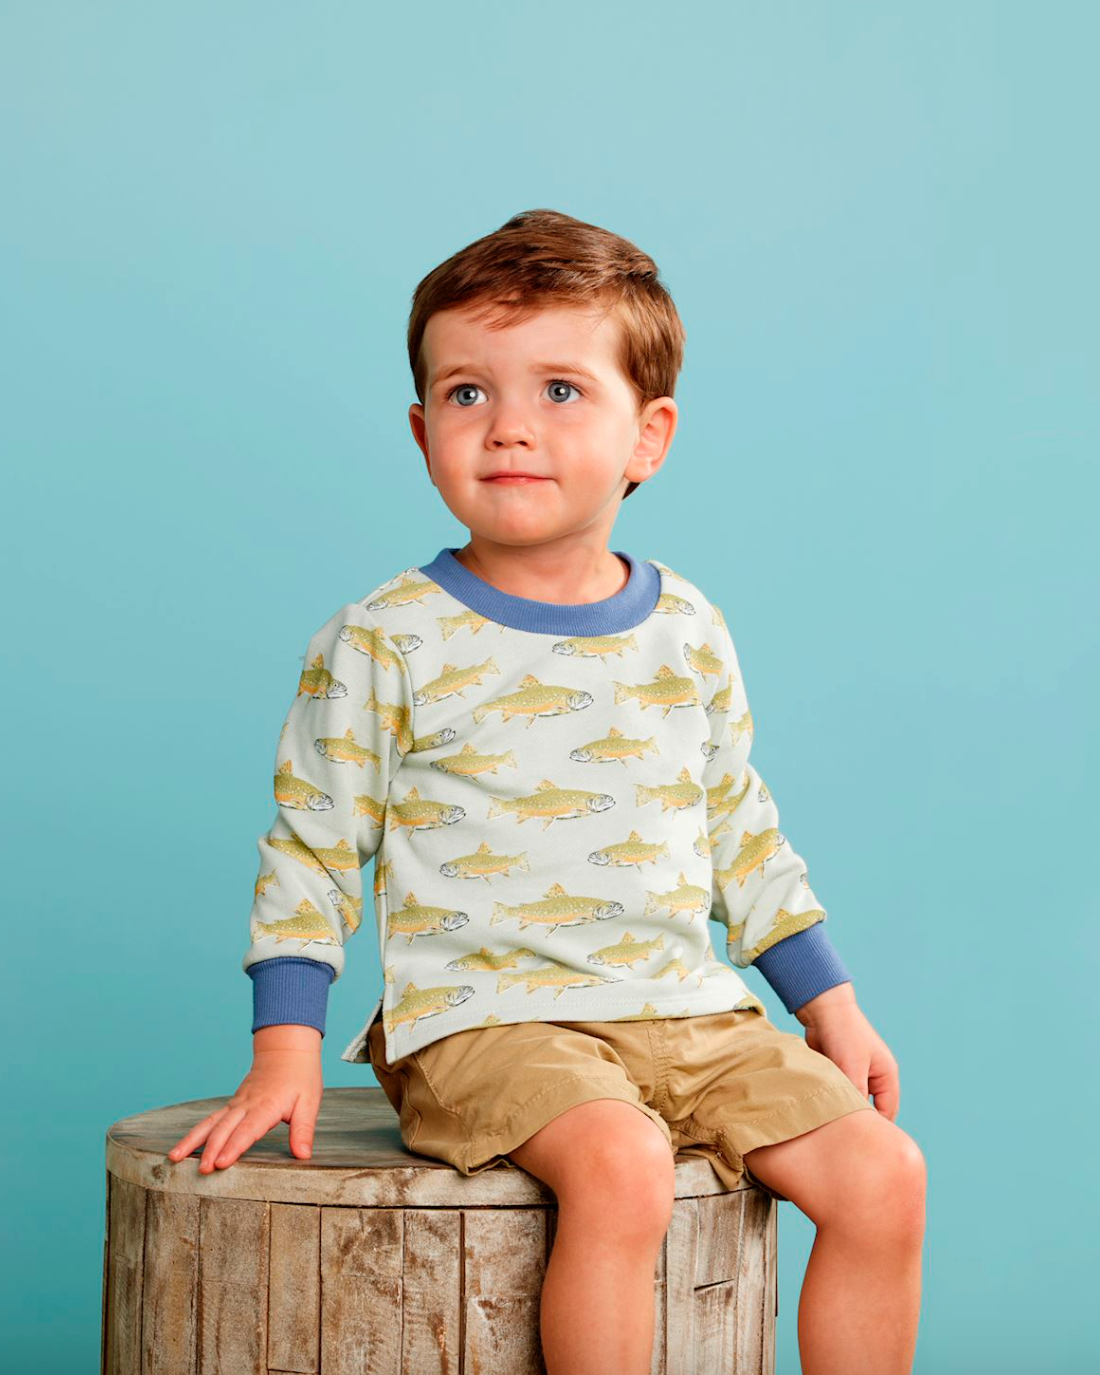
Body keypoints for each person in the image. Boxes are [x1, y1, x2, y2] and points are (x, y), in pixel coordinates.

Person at [167, 208, 925, 1375]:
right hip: (485, 1022)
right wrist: (285, 1047)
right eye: (467, 393)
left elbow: (739, 827)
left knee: (884, 1173)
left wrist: (830, 1005)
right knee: (619, 1165)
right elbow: (312, 848)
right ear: (422, 429)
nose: (510, 427)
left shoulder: (686, 626)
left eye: (560, 391)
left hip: (687, 1010)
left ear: (647, 435)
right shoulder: (385, 639)